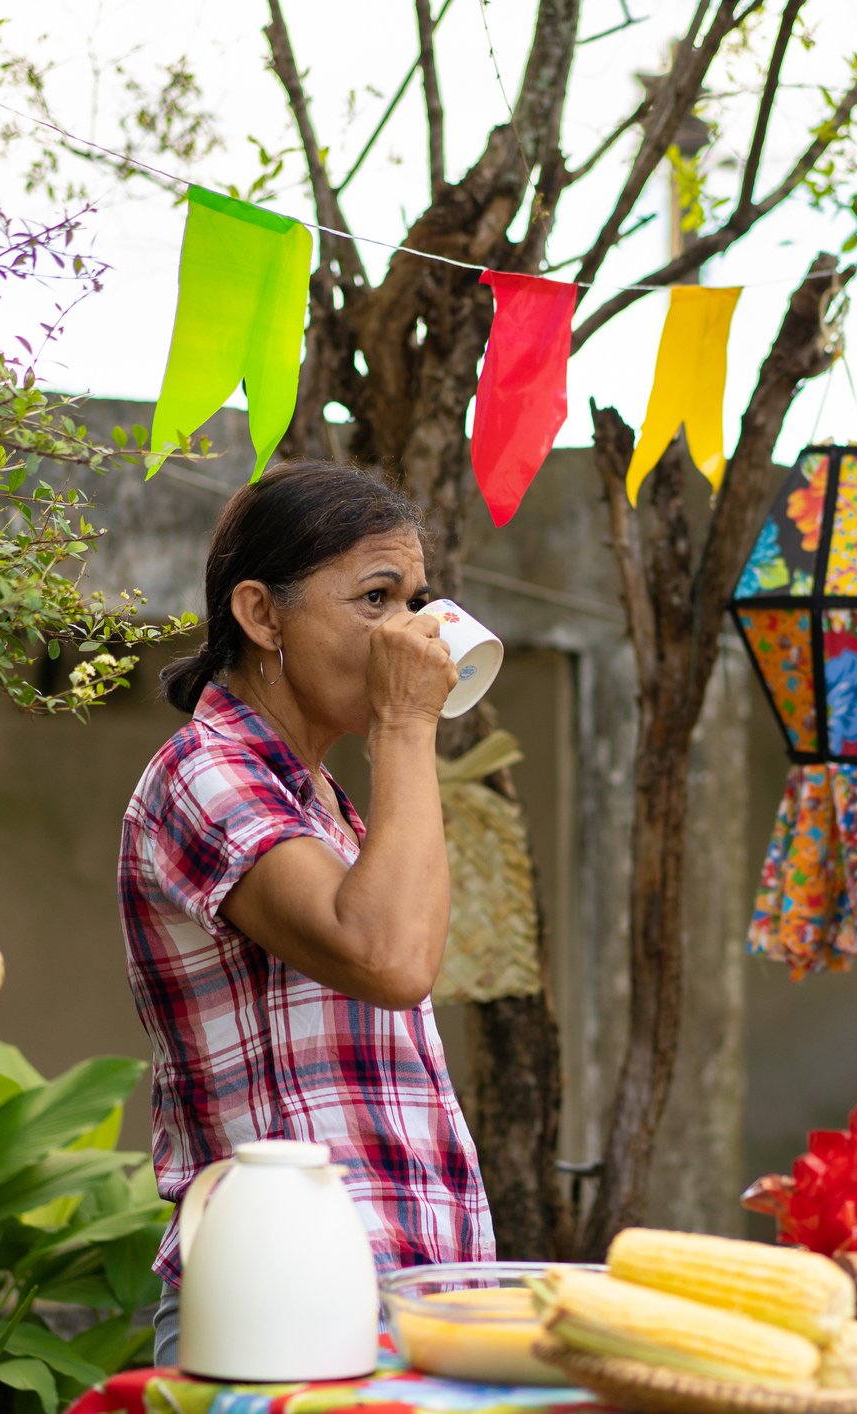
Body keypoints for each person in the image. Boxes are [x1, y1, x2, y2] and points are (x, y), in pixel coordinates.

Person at [119, 460, 495, 1368]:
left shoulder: (325, 802)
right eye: (375, 598)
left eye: (415, 601)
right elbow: (390, 957)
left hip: (392, 1310)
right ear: (261, 615)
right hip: (283, 1311)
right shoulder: (203, 770)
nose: (407, 633)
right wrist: (407, 726)